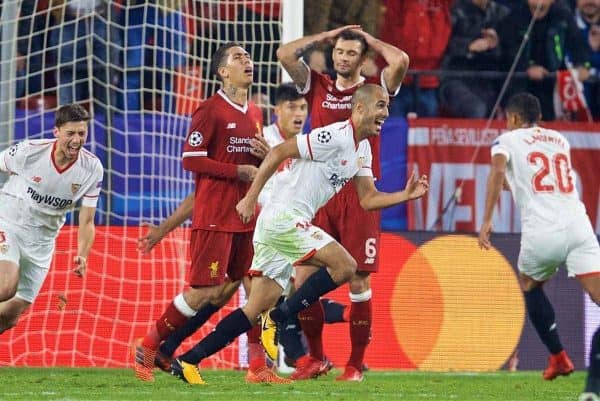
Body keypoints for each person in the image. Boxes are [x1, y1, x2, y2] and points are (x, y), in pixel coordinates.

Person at [166, 84, 428, 385]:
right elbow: (278, 151)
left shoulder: (362, 148)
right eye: (380, 105)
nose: (386, 112)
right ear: (358, 109)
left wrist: (405, 195)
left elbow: (368, 198)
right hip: (283, 219)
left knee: (253, 308)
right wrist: (251, 197)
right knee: (345, 266)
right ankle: (279, 318)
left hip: (287, 223)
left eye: (387, 106)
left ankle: (188, 361)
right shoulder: (334, 136)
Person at [276, 26, 408, 381]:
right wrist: (328, 35)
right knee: (302, 276)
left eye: (351, 53)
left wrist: (369, 40)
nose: (342, 58)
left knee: (359, 280)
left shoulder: (376, 92)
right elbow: (285, 54)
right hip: (318, 194)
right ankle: (316, 358)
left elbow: (401, 60)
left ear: (363, 59)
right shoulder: (318, 85)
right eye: (339, 52)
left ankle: (355, 365)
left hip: (359, 191)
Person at [133, 42, 270, 383]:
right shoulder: (210, 110)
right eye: (239, 58)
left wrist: (265, 156)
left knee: (253, 287)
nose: (247, 61)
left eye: (248, 57)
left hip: (245, 215)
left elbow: (256, 166)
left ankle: (257, 368)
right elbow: (190, 159)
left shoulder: (254, 112)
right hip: (215, 215)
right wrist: (235, 171)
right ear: (223, 71)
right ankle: (149, 346)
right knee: (202, 291)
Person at [477, 93, 600, 396]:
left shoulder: (506, 140)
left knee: (530, 285)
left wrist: (487, 220)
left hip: (543, 232)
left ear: (514, 119)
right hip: (579, 227)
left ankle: (558, 356)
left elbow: (496, 172)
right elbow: (537, 177)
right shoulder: (559, 140)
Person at [0, 104, 104, 333]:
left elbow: (87, 220)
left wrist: (82, 254)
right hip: (9, 223)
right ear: (56, 132)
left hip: (42, 243)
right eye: (71, 133)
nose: (76, 140)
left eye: (81, 133)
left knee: (8, 316)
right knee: (5, 286)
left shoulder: (92, 169)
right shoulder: (29, 151)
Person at [499, 0, 590, 120]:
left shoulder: (563, 16)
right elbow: (508, 51)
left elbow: (578, 45)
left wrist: (582, 65)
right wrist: (527, 67)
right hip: (521, 82)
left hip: (554, 82)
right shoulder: (514, 18)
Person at [440, 0, 510, 118]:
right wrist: (469, 47)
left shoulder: (502, 13)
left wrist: (496, 44)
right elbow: (443, 44)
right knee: (476, 108)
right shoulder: (455, 10)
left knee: (508, 108)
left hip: (489, 81)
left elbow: (510, 51)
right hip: (456, 78)